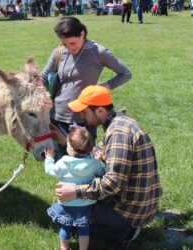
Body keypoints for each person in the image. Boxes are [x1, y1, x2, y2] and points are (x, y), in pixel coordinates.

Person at [53, 85, 162, 247]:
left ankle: (125, 233)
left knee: (60, 212)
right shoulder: (119, 123)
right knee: (69, 207)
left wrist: (75, 191)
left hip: (127, 216)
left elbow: (112, 183)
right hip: (134, 207)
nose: (81, 116)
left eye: (85, 111)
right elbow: (95, 152)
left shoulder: (118, 135)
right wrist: (66, 141)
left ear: (100, 111)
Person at [41, 17, 131, 158]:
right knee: (60, 165)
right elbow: (43, 77)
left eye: (73, 43)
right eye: (65, 44)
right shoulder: (58, 52)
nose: (69, 48)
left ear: (82, 34)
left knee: (84, 166)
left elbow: (125, 74)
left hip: (84, 121)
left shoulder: (98, 52)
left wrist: (102, 88)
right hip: (56, 117)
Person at [44, 125, 105, 250]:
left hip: (66, 203)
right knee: (84, 230)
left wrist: (49, 159)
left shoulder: (63, 162)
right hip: (85, 204)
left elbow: (50, 171)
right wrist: (100, 160)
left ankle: (64, 247)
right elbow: (102, 172)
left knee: (64, 227)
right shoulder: (93, 164)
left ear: (71, 149)